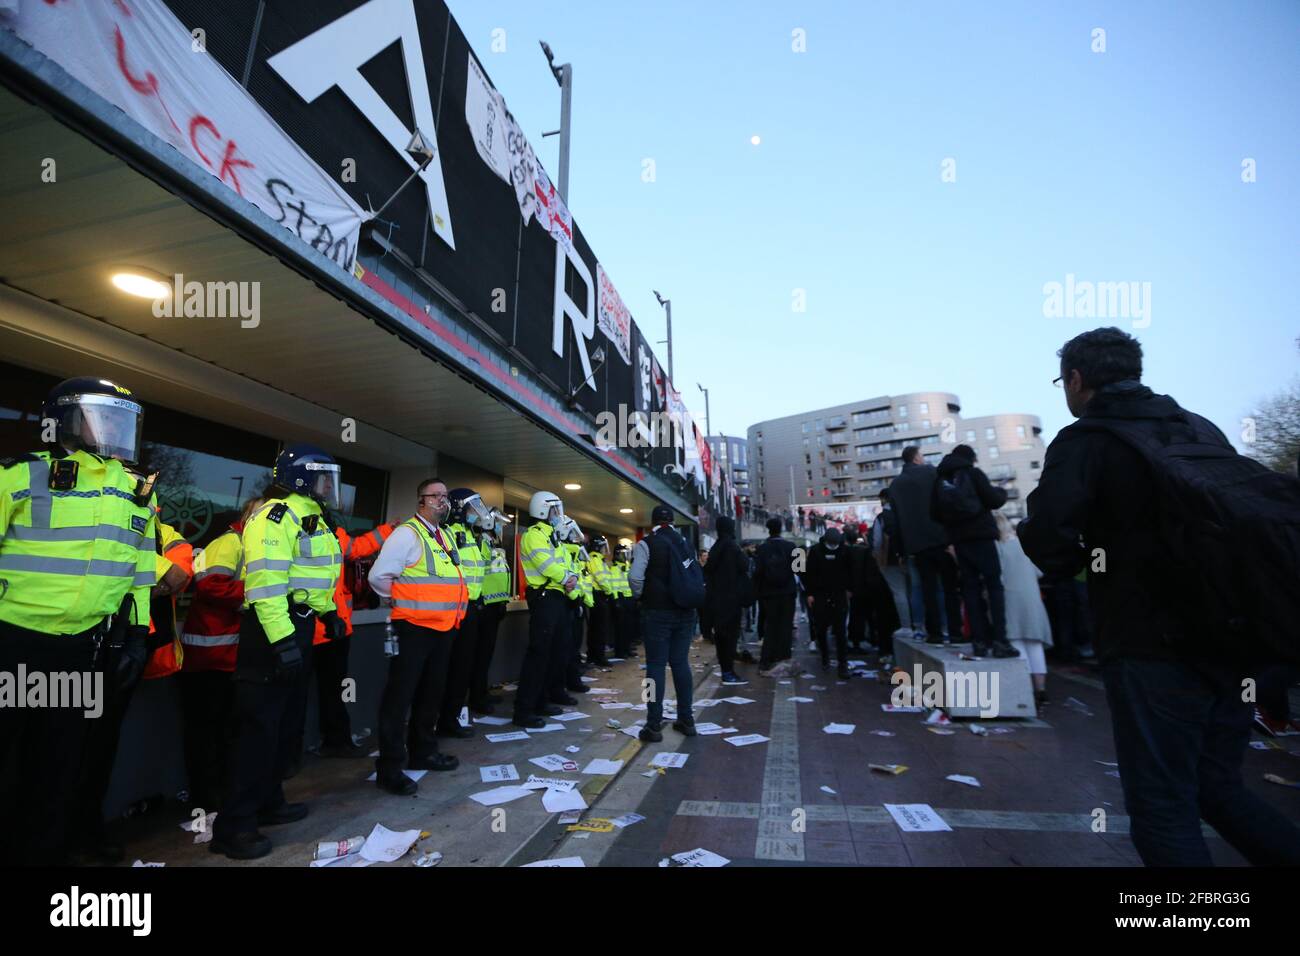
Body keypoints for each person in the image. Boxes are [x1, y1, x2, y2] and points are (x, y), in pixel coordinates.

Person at [1019, 326, 1300, 866]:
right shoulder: (1199, 428)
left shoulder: (1087, 440)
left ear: (1077, 380)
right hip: (1237, 644)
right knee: (1218, 787)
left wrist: (1085, 567)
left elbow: (1048, 533)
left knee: (1162, 807)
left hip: (1151, 646)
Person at [0, 377, 156, 866]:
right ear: (63, 422)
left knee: (58, 766)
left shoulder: (137, 493)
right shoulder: (20, 476)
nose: (113, 431)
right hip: (13, 644)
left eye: (121, 421)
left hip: (82, 649)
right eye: (101, 417)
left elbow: (141, 571)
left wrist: (136, 636)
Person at [211, 445, 346, 859]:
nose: (329, 486)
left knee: (284, 727)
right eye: (324, 478)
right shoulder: (275, 517)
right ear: (303, 478)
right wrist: (284, 642)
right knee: (257, 732)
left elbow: (312, 578)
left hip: (296, 625)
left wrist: (327, 613)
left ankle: (269, 802)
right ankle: (233, 827)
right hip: (271, 631)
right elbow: (268, 588)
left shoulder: (312, 518)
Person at [70, 515, 193, 863]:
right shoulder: (87, 515)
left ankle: (84, 832)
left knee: (98, 749)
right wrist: (142, 567)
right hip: (70, 646)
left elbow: (179, 575)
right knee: (57, 747)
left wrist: (124, 565)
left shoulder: (161, 531)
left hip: (121, 650)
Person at [366, 478, 467, 796]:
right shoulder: (406, 534)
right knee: (399, 698)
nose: (442, 501)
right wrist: (402, 599)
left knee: (430, 694)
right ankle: (390, 768)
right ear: (420, 501)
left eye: (445, 496)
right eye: (435, 495)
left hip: (443, 628)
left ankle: (423, 752)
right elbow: (378, 577)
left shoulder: (443, 535)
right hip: (413, 628)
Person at [179, 497, 263, 813]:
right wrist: (259, 594)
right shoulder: (230, 542)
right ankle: (206, 798)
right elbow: (211, 586)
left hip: (231, 656)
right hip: (209, 657)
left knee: (228, 731)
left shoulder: (255, 546)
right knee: (207, 733)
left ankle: (221, 793)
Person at [306, 518, 394, 761]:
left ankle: (337, 741)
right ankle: (331, 742)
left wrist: (386, 530)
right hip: (311, 631)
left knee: (337, 691)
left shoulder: (333, 533)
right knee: (325, 693)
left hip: (333, 630)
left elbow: (357, 547)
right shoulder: (300, 531)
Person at [932, 444, 1019, 658]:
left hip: (960, 541)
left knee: (970, 589)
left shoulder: (940, 481)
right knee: (994, 587)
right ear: (970, 458)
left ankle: (979, 641)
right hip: (982, 537)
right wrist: (1000, 491)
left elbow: (933, 513)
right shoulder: (973, 473)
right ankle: (1000, 640)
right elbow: (994, 499)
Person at [629, 504, 697, 740]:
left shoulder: (646, 543)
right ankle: (686, 719)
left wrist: (641, 595)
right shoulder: (685, 543)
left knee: (655, 667)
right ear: (673, 522)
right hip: (686, 613)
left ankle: (653, 724)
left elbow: (635, 577)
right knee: (681, 665)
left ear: (653, 522)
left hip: (656, 613)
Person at [433, 488, 494, 741]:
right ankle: (441, 720)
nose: (475, 513)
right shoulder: (446, 533)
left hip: (471, 608)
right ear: (458, 509)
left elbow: (484, 567)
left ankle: (452, 719)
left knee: (463, 667)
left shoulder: (472, 535)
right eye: (471, 508)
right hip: (452, 609)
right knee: (446, 668)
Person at [514, 491, 577, 728]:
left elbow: (567, 564)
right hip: (544, 597)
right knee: (538, 654)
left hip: (557, 597)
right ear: (542, 510)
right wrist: (567, 578)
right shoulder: (533, 535)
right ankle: (523, 710)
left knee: (555, 653)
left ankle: (541, 701)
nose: (557, 515)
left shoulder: (553, 536)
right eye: (554, 510)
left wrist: (570, 578)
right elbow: (546, 565)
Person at [889, 447, 961, 644]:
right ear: (917, 458)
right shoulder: (931, 473)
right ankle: (954, 631)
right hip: (941, 538)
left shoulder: (895, 485)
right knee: (949, 588)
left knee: (926, 589)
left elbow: (894, 522)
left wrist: (901, 551)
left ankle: (934, 632)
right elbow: (947, 499)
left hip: (916, 545)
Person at [993, 513, 1052, 704]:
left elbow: (997, 578)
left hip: (1010, 599)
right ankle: (1041, 689)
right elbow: (1039, 571)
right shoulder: (1024, 545)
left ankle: (1025, 691)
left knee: (1017, 645)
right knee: (1035, 646)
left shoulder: (998, 547)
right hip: (1032, 599)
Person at [471, 511, 513, 714]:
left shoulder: (493, 542)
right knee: (479, 655)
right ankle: (477, 698)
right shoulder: (481, 542)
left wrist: (503, 601)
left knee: (486, 654)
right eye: (497, 523)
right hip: (484, 606)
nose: (500, 527)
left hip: (495, 604)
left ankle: (483, 692)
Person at [703, 515, 747, 684]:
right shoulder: (732, 547)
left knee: (721, 638)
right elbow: (744, 565)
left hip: (716, 600)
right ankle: (729, 672)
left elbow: (708, 570)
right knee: (730, 637)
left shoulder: (716, 547)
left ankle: (726, 671)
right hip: (731, 600)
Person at [803, 527, 852, 678]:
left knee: (840, 631)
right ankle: (825, 656)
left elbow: (851, 571)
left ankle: (842, 664)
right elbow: (809, 573)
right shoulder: (816, 551)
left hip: (838, 594)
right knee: (821, 629)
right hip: (820, 594)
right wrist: (810, 593)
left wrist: (849, 589)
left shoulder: (844, 551)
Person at [753, 516, 797, 677]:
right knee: (786, 626)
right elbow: (801, 569)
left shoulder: (762, 548)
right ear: (781, 528)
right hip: (788, 592)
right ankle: (784, 658)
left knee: (770, 627)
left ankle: (766, 660)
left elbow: (757, 572)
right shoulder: (791, 546)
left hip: (768, 594)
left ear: (768, 529)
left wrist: (757, 592)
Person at [585, 535, 615, 666]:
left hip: (599, 595)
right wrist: (609, 592)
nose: (604, 549)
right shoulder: (594, 558)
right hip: (599, 595)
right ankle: (598, 657)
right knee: (599, 629)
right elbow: (601, 579)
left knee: (596, 628)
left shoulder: (597, 559)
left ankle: (594, 655)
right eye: (603, 546)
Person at [609, 543, 637, 659]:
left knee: (628, 626)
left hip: (629, 598)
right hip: (621, 599)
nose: (625, 556)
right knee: (620, 627)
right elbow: (614, 585)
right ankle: (620, 651)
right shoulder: (615, 568)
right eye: (623, 554)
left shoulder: (626, 566)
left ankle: (627, 648)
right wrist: (616, 600)